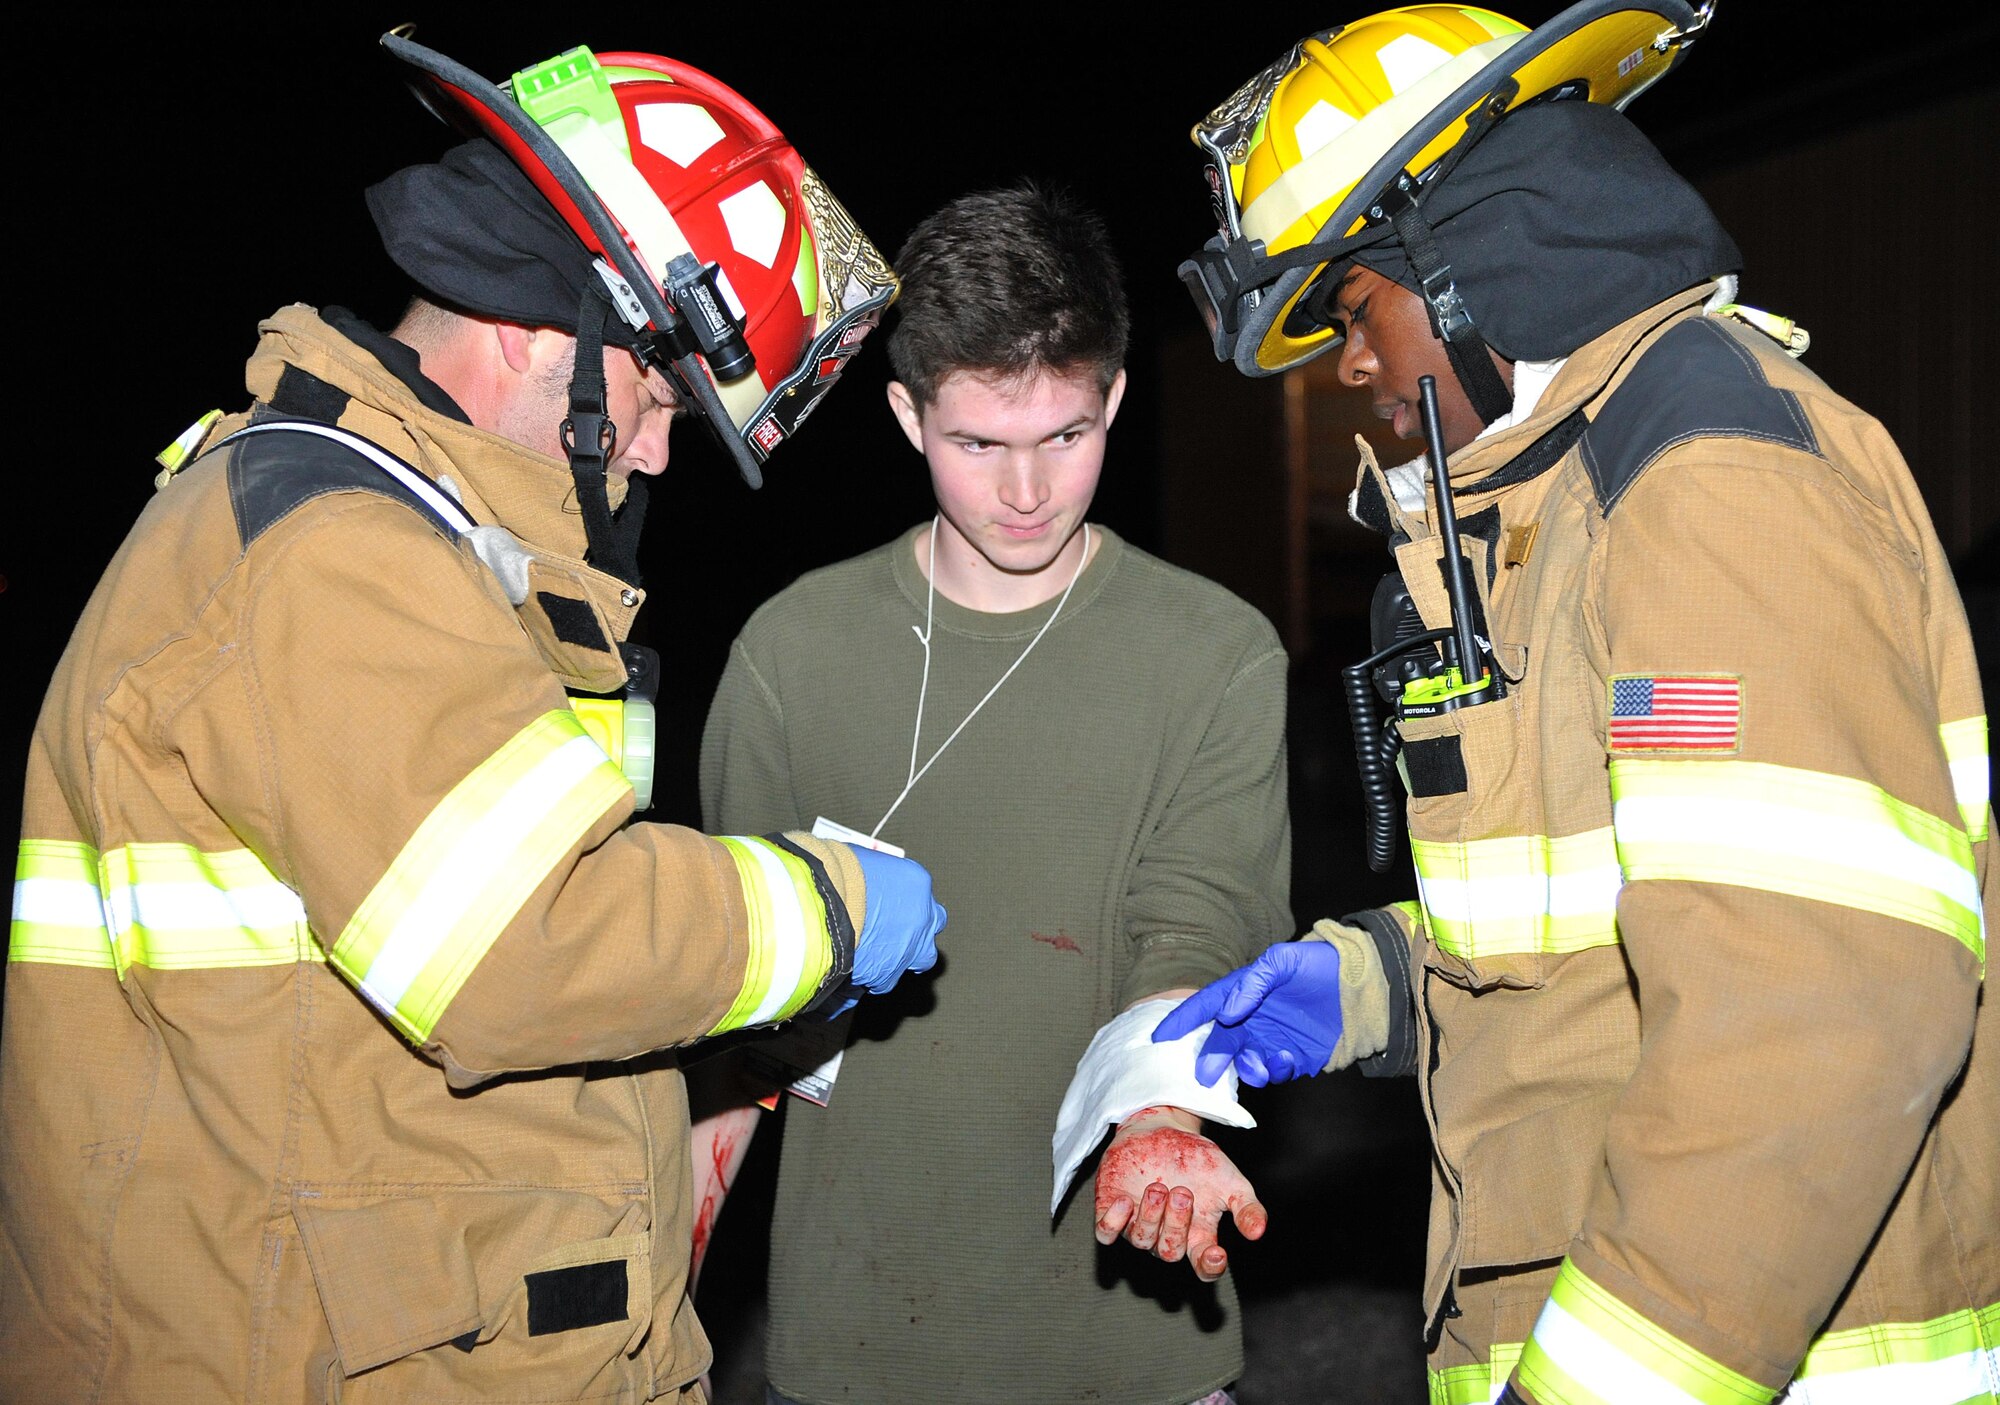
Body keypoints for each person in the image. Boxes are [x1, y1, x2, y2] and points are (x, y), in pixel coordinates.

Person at [0, 35, 948, 1403]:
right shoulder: (334, 555)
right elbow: (527, 948)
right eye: (656, 393)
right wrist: (826, 905)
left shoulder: (409, 540)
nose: (657, 447)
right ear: (535, 334)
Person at [1160, 4, 1996, 1404]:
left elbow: (1813, 1013)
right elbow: (1627, 923)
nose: (1350, 371)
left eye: (1356, 313)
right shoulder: (1580, 503)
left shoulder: (1706, 484)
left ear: (1479, 263)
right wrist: (1371, 984)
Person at [691, 183, 1292, 1405]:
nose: (1025, 490)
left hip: (1133, 1349)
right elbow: (727, 1017)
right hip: (857, 1343)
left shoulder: (1213, 653)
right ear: (907, 415)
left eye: (1064, 435)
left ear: (1114, 395)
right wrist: (654, 1294)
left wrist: (1159, 1120)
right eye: (978, 443)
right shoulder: (789, 655)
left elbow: (1193, 921)